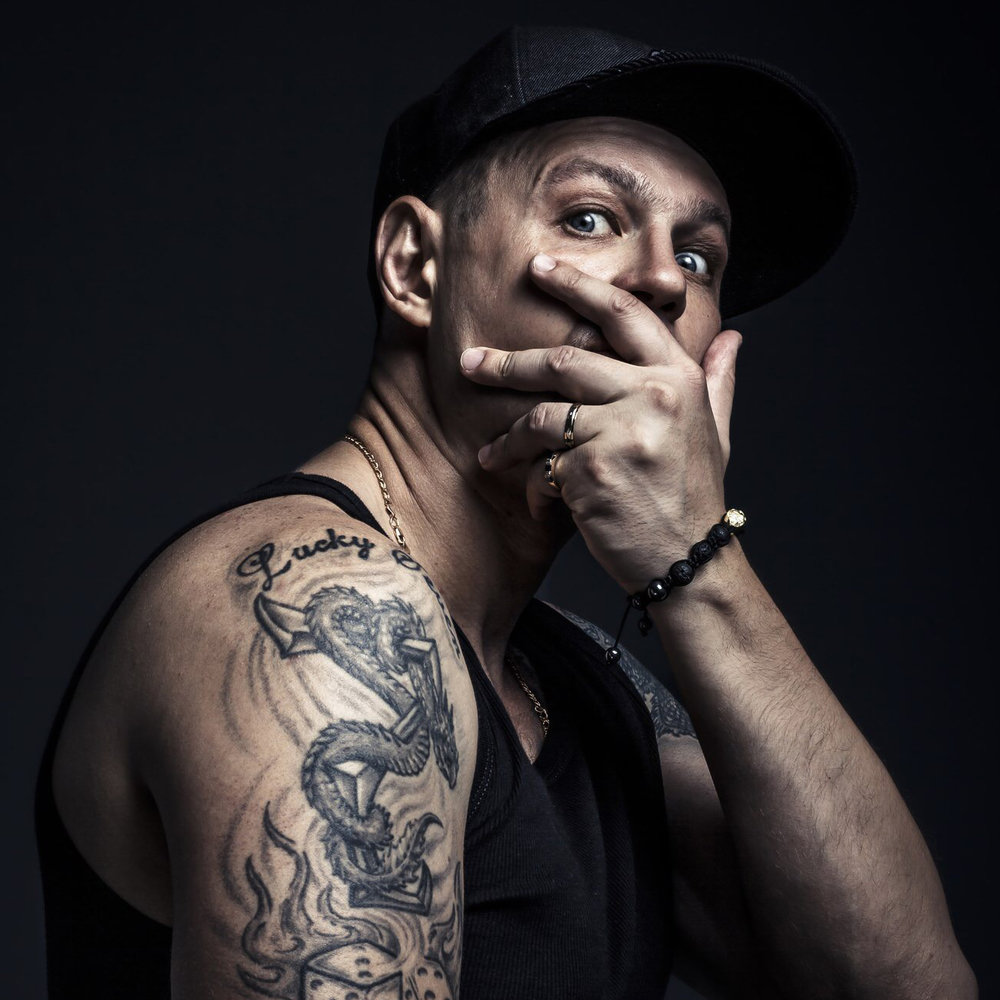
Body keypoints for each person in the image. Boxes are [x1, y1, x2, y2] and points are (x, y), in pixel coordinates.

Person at [36, 24, 976, 1000]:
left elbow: (899, 984)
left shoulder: (569, 675)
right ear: (414, 266)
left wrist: (699, 560)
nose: (663, 279)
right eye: (590, 218)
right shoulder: (326, 615)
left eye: (700, 260)